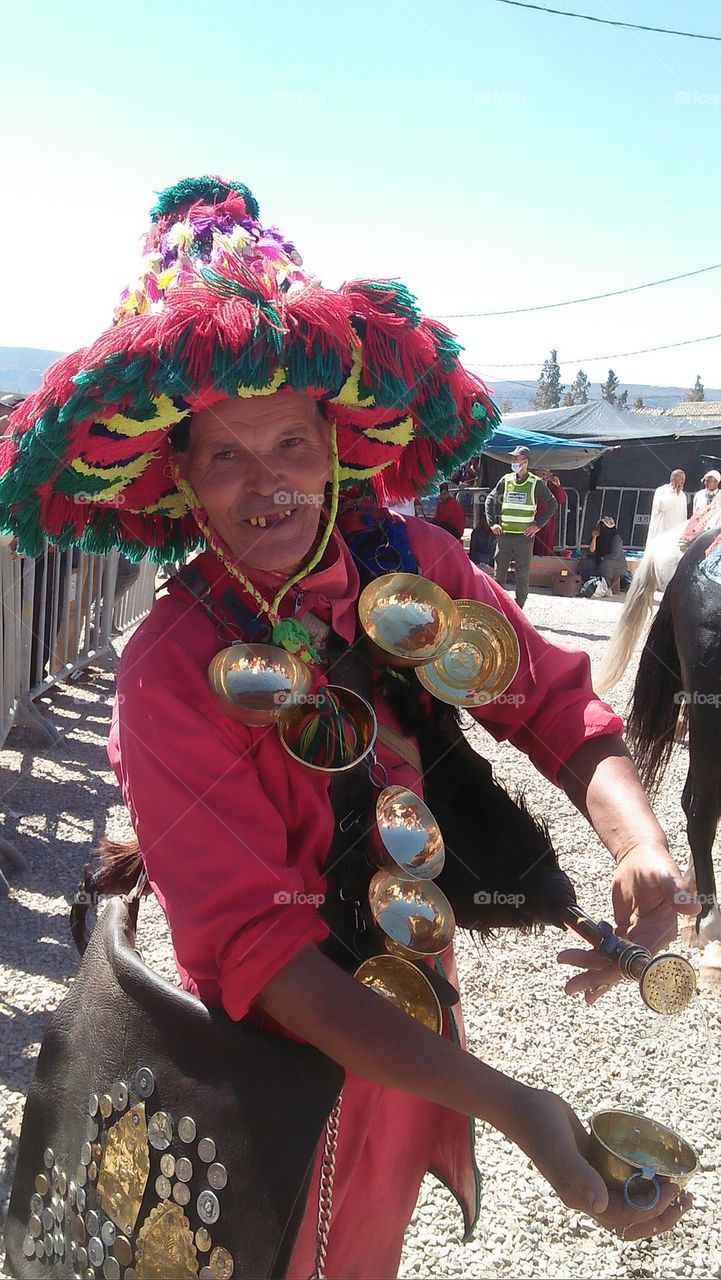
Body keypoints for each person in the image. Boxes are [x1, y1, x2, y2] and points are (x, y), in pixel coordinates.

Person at [0, 175, 694, 1279]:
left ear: (336, 441)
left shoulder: (407, 567)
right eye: (225, 454)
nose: (264, 485)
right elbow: (265, 956)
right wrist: (514, 1107)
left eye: (287, 442)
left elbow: (551, 698)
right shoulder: (172, 667)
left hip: (406, 1044)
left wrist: (638, 840)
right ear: (178, 475)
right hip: (254, 1060)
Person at [484, 446, 558, 609]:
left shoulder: (535, 482)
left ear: (525, 462)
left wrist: (538, 525)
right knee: (499, 574)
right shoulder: (506, 479)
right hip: (504, 535)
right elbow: (490, 499)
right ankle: (498, 609)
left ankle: (519, 610)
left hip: (523, 537)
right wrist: (492, 523)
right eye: (513, 459)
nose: (513, 461)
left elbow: (553, 503)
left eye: (516, 459)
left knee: (522, 575)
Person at [579, 516, 628, 592]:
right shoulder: (599, 537)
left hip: (617, 564)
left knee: (606, 564)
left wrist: (603, 558)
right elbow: (592, 552)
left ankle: (606, 587)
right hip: (600, 560)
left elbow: (615, 555)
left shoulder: (616, 538)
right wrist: (594, 538)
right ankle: (587, 583)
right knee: (586, 561)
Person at [647, 469, 687, 542]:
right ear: (673, 478)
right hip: (661, 531)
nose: (683, 481)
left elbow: (684, 515)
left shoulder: (683, 495)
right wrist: (674, 492)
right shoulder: (662, 490)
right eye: (681, 479)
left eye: (684, 479)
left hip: (675, 533)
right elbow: (662, 506)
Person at [534, 469, 567, 556]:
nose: (544, 476)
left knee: (546, 541)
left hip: (547, 520)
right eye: (542, 474)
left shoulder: (551, 486)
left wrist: (558, 486)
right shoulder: (532, 484)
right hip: (532, 518)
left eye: (546, 474)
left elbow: (561, 499)